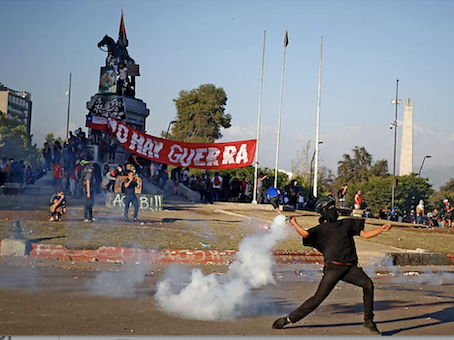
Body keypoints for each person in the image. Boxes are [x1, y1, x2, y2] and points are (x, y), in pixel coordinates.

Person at [272, 195, 392, 335]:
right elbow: (305, 234)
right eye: (330, 207)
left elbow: (364, 234)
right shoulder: (320, 229)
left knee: (368, 284)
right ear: (323, 211)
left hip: (350, 268)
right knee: (317, 299)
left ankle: (368, 320)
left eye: (333, 206)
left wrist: (381, 229)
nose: (333, 209)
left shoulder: (347, 223)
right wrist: (295, 223)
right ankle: (288, 319)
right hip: (333, 269)